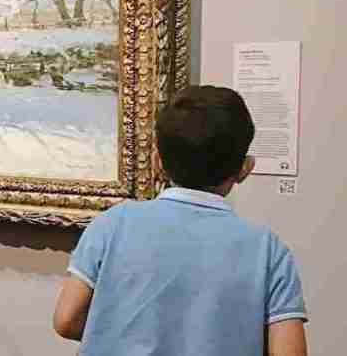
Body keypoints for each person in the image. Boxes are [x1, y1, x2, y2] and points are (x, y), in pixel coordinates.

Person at [53, 86, 308, 355]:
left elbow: (66, 320)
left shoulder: (112, 224)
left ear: (157, 161)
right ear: (245, 169)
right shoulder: (268, 250)